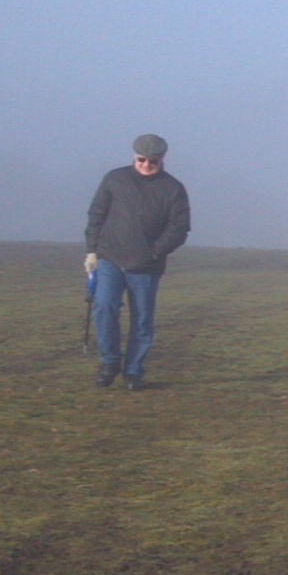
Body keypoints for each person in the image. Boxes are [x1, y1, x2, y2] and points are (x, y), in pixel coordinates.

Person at [85, 133, 192, 390]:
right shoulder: (115, 179)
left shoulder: (173, 189)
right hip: (110, 257)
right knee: (105, 306)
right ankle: (110, 362)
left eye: (152, 161)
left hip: (147, 266)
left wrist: (153, 252)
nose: (146, 165)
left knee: (142, 319)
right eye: (141, 159)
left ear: (162, 159)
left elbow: (179, 228)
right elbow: (97, 213)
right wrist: (91, 251)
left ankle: (134, 373)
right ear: (134, 156)